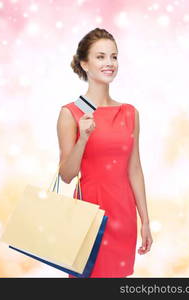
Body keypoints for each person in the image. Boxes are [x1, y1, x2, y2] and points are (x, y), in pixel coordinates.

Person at [57, 28, 153, 278]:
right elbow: (66, 175)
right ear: (84, 63)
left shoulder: (130, 113)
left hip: (123, 217)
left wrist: (145, 221)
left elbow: (134, 169)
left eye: (114, 56)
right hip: (88, 219)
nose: (109, 63)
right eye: (100, 57)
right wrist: (83, 138)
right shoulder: (71, 113)